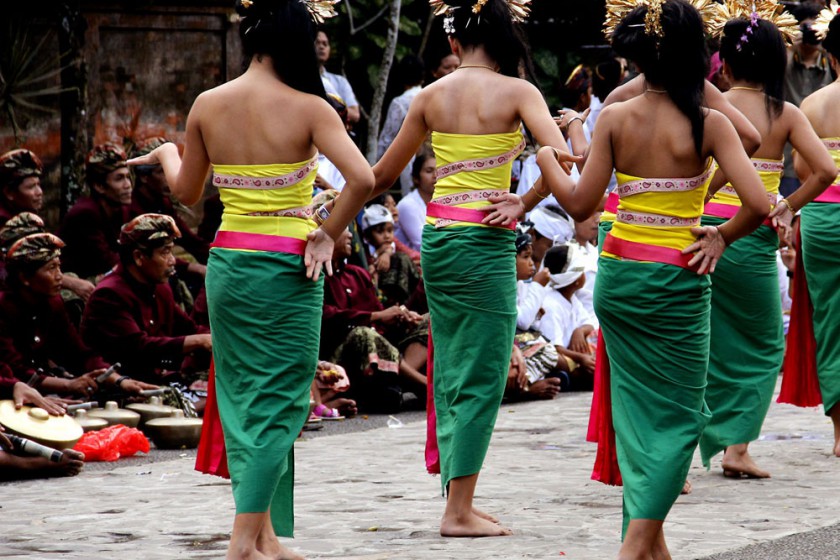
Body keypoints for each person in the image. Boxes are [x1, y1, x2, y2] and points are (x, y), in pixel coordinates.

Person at [489, 1, 768, 557]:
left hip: (620, 276)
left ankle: (649, 546)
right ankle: (634, 546)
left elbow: (579, 204)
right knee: (681, 414)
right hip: (678, 278)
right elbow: (758, 202)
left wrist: (546, 156)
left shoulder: (615, 116)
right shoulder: (708, 121)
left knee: (637, 412)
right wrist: (718, 235)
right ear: (697, 56)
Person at [126, 1, 374, 558]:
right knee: (284, 400)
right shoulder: (311, 107)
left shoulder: (208, 104)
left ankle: (262, 536)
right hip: (287, 266)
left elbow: (188, 196)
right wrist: (328, 232)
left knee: (240, 398)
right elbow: (362, 177)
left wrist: (169, 153)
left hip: (230, 262)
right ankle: (243, 543)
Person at [371, 0, 578, 537]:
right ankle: (457, 510)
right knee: (484, 370)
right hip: (484, 242)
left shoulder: (429, 95)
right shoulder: (519, 92)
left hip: (439, 241)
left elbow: (381, 174)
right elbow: (560, 160)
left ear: (456, 41)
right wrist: (524, 200)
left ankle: (459, 497)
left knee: (456, 359)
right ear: (505, 37)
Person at [699, 11, 836, 479]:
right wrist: (787, 206)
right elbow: (824, 171)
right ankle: (736, 447)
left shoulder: (705, 107)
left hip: (696, 232)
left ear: (726, 65)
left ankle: (684, 445)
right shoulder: (784, 112)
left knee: (703, 343)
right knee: (760, 346)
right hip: (752, 233)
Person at [0, 228, 157, 400]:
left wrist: (119, 380)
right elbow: (15, 369)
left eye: (59, 267)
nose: (59, 276)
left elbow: (78, 353)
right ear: (24, 278)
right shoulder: (4, 308)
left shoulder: (53, 303)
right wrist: (68, 384)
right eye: (51, 268)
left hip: (44, 387)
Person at [783, 8, 840, 457]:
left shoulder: (814, 104)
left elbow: (804, 170)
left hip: (822, 219)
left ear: (832, 56)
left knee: (831, 322)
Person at [81, 214, 211, 394]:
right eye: (165, 252)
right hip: (120, 389)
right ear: (138, 257)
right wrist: (197, 341)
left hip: (158, 381)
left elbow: (187, 328)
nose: (173, 260)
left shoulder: (160, 287)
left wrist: (221, 340)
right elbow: (139, 347)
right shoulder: (109, 294)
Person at [781, 3, 835, 197]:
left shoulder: (830, 61)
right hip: (787, 158)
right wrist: (789, 46)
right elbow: (772, 78)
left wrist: (826, 46)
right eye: (806, 28)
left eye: (816, 28)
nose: (811, 33)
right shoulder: (786, 60)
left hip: (823, 159)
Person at [59, 144, 133, 280]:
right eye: (119, 178)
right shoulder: (85, 214)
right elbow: (106, 260)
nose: (127, 184)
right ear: (99, 186)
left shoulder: (122, 209)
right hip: (74, 282)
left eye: (127, 177)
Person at [378, 55, 426, 196]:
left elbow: (387, 139)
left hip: (410, 159)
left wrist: (374, 168)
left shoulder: (400, 103)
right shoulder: (430, 97)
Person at [315, 29, 361, 125]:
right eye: (317, 42)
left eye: (325, 44)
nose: (321, 47)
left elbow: (355, 115)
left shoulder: (340, 81)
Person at [396, 144, 436, 252]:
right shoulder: (407, 205)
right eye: (429, 171)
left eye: (439, 171)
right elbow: (423, 244)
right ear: (416, 178)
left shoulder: (441, 202)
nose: (435, 175)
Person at [0, 149, 44, 227]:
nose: (39, 192)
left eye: (38, 185)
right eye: (31, 187)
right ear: (9, 193)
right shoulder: (5, 224)